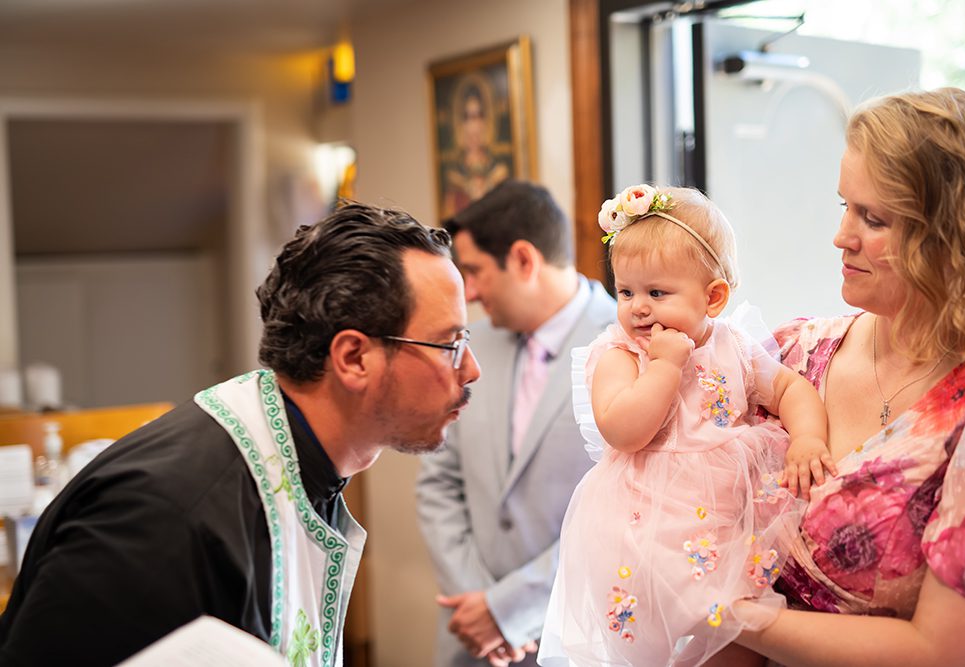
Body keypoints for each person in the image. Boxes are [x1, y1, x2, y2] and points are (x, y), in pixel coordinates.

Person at [0, 202, 482, 667]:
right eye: (450, 344)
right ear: (354, 358)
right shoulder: (164, 515)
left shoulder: (307, 462)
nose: (472, 370)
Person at [729, 88, 965, 665]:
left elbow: (945, 650)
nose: (841, 237)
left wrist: (736, 615)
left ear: (954, 240)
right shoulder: (790, 354)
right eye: (844, 206)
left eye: (873, 218)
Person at [538, 185, 833, 667]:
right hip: (646, 531)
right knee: (666, 633)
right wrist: (664, 369)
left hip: (723, 524)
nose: (638, 307)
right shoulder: (620, 353)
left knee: (736, 637)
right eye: (627, 291)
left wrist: (807, 438)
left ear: (713, 298)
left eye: (657, 292)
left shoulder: (733, 344)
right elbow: (623, 430)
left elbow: (788, 389)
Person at [416, 180, 617, 667]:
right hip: (470, 643)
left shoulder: (625, 346)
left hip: (574, 641)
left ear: (524, 260)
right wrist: (478, 605)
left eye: (475, 271)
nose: (471, 291)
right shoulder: (468, 345)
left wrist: (510, 610)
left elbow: (623, 518)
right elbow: (438, 482)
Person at [440, 81, 511, 219]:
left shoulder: (499, 172)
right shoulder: (454, 176)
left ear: (485, 121)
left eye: (478, 116)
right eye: (467, 117)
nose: (473, 126)